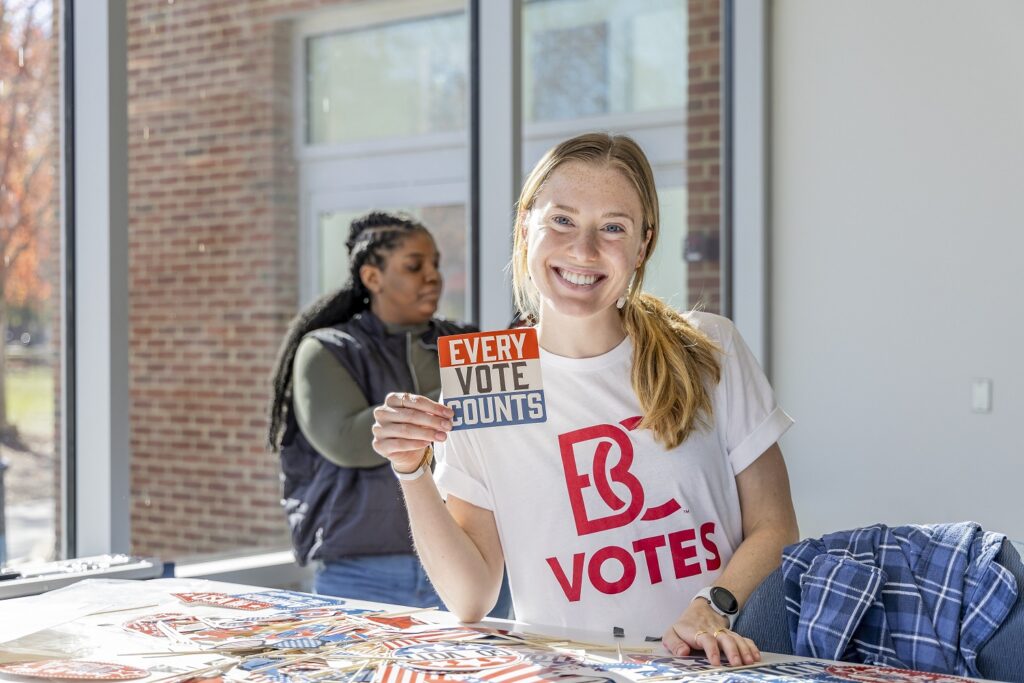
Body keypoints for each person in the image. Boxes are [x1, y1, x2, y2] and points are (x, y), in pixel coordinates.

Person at [370, 133, 799, 666]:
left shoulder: (707, 346)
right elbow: (471, 596)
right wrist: (411, 472)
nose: (584, 250)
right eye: (563, 220)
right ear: (526, 225)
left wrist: (712, 606)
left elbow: (775, 525)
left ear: (643, 244)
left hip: (708, 670)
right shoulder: (491, 378)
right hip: (567, 671)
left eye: (613, 228)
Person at [267, 211, 475, 607]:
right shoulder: (328, 349)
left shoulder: (463, 340)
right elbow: (351, 442)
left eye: (435, 265)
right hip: (363, 574)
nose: (432, 276)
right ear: (372, 277)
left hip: (469, 562)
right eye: (414, 266)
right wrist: (470, 385)